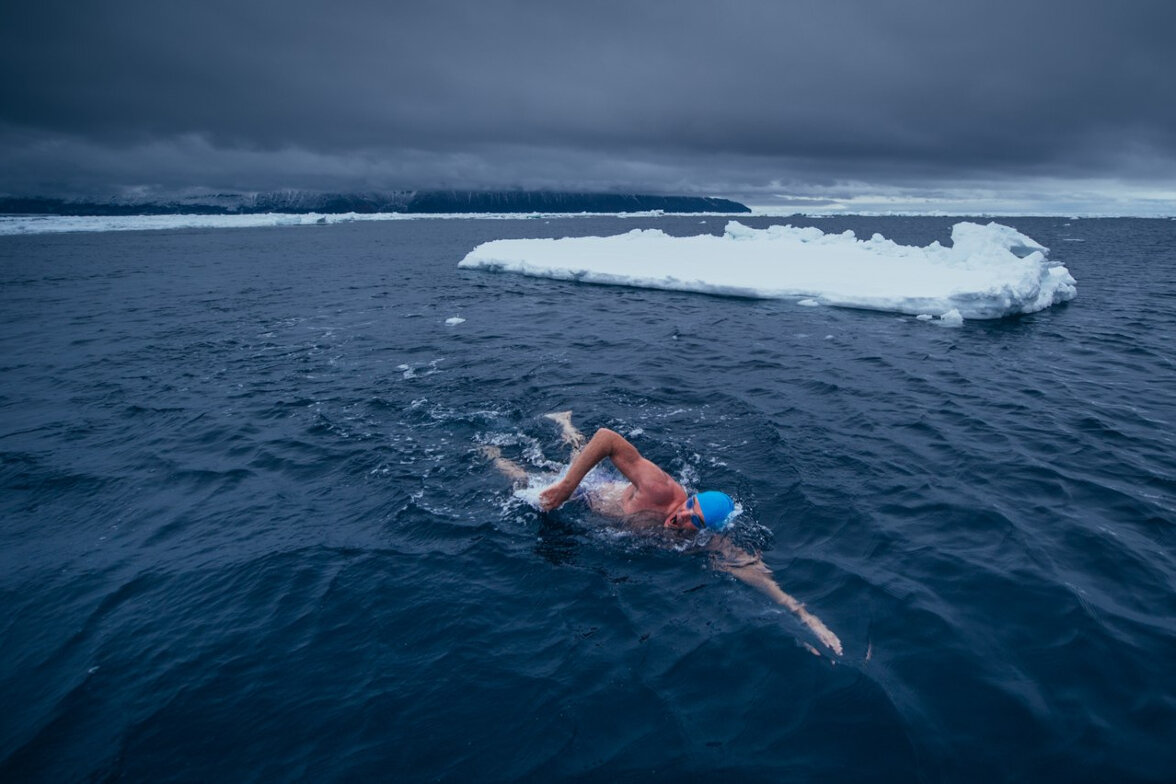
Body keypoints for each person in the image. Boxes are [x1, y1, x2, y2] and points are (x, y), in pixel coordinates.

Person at [482, 411, 843, 657]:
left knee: (567, 467)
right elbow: (606, 439)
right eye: (690, 507)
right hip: (591, 492)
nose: (683, 518)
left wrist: (808, 619)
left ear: (706, 531)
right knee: (531, 484)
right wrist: (566, 488)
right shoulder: (661, 490)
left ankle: (564, 429)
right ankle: (494, 452)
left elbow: (755, 573)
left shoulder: (700, 541)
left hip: (601, 506)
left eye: (695, 521)